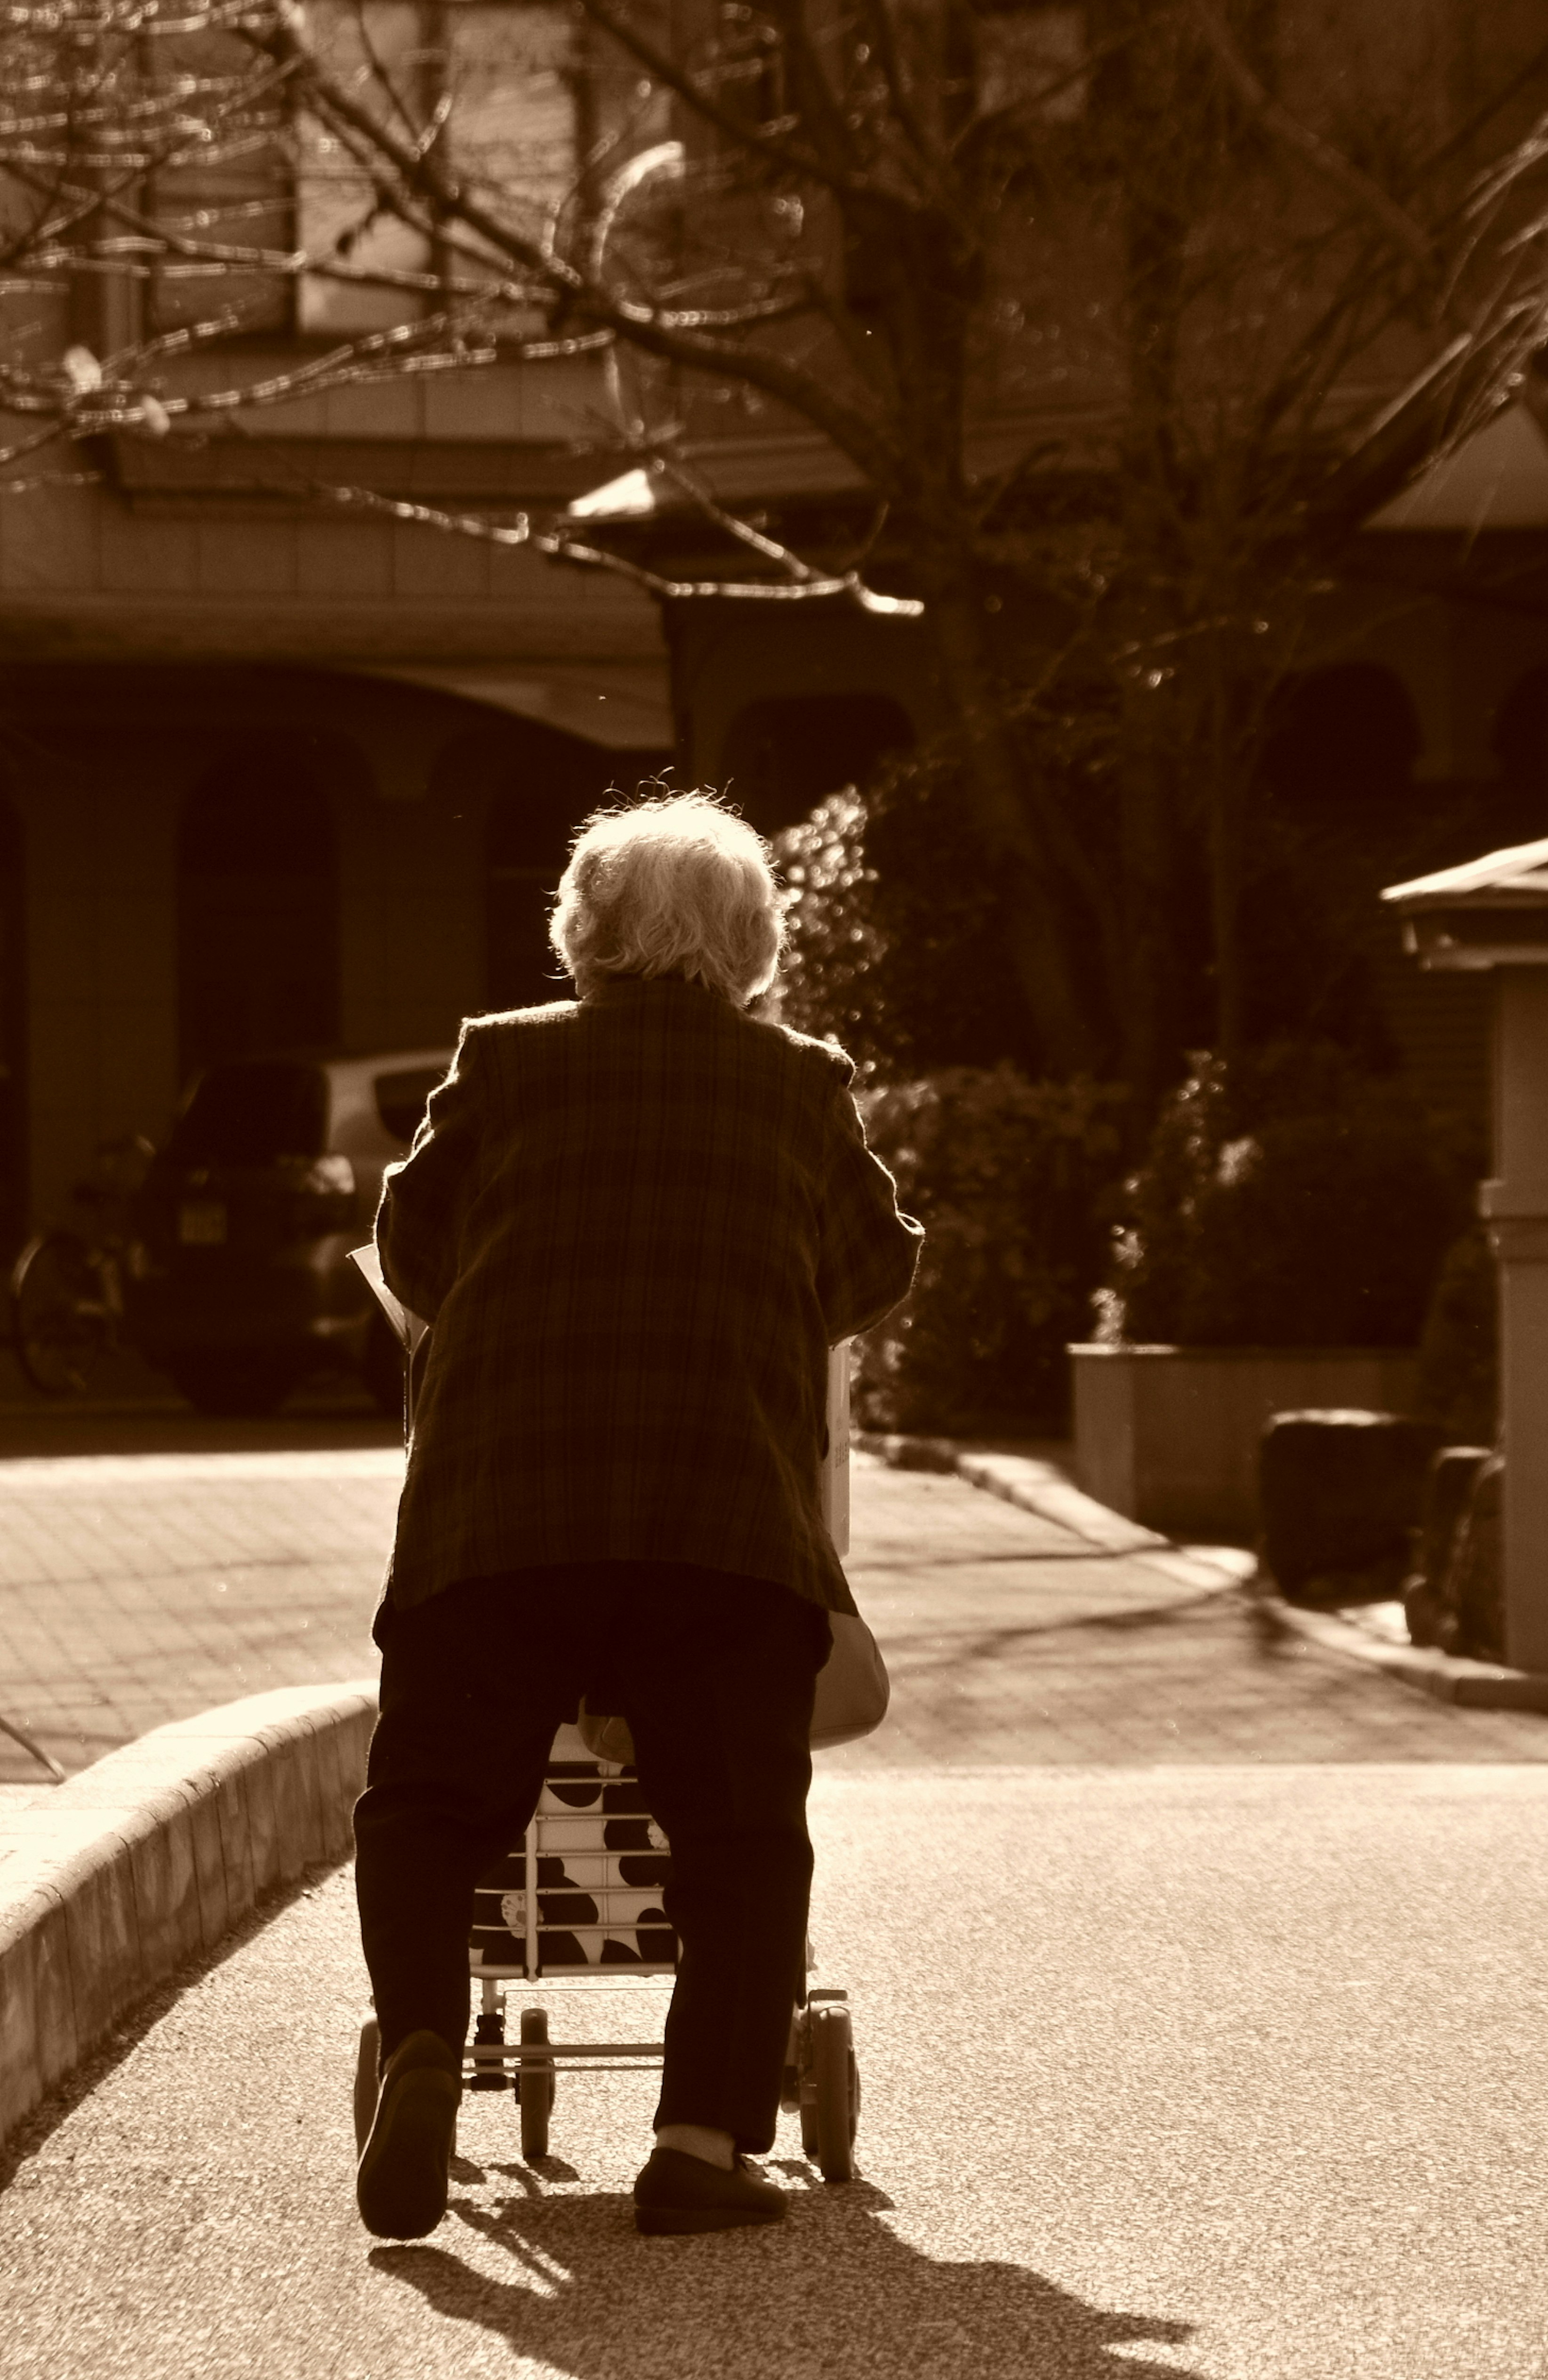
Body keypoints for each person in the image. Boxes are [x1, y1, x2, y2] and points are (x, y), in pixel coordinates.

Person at [352, 788, 921, 2243]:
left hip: (500, 1506)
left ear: (582, 936)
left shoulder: (501, 1065)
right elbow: (876, 1269)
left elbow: (409, 1252)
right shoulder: (801, 1086)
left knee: (425, 1802)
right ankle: (700, 2143)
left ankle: (424, 2043)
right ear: (750, 947)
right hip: (718, 1515)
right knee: (739, 1836)